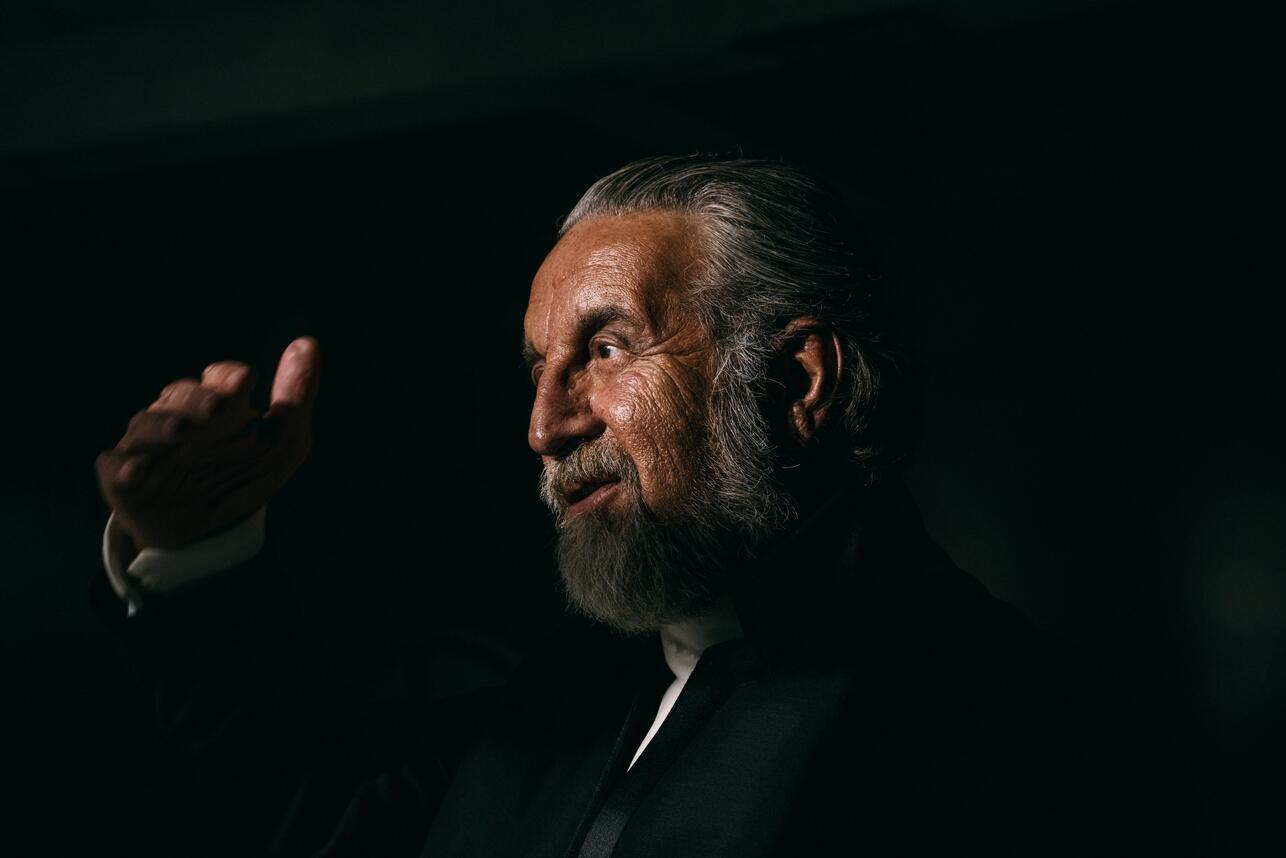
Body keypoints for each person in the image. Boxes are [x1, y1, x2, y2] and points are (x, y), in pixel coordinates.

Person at [93, 155, 1116, 856]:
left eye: (607, 348)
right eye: (539, 367)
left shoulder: (1000, 726)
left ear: (796, 382)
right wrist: (199, 551)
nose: (545, 427)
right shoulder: (565, 696)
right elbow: (308, 807)